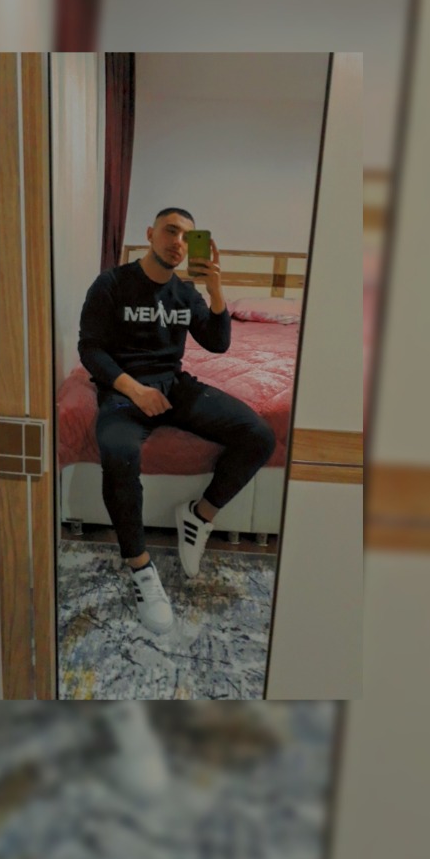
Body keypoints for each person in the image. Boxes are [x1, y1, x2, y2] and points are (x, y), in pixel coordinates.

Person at [78, 208, 276, 634]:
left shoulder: (186, 293)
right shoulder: (111, 283)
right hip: (124, 389)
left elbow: (218, 344)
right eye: (171, 231)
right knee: (118, 452)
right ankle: (141, 567)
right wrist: (134, 390)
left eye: (187, 237)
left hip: (175, 385)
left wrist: (216, 289)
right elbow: (90, 348)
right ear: (150, 234)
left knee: (259, 435)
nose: (178, 243)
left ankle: (199, 516)